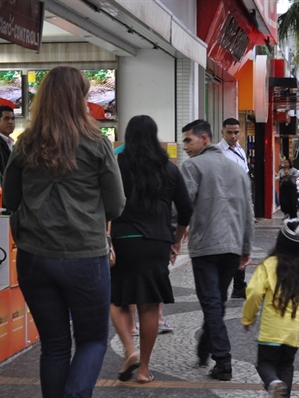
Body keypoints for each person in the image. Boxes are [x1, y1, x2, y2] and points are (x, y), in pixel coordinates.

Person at [2, 66, 125, 398]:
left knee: (54, 345)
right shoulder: (97, 143)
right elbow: (116, 205)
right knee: (92, 339)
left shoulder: (25, 143)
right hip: (85, 257)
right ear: (79, 99)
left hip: (34, 258)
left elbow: (10, 199)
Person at [110, 115, 192, 383]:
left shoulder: (118, 165)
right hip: (157, 242)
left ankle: (129, 350)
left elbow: (105, 203)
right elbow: (186, 209)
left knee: (115, 299)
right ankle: (143, 369)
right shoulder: (167, 168)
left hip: (123, 240)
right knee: (148, 306)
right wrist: (176, 240)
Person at [181, 119, 254, 381]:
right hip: (232, 246)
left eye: (188, 140)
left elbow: (182, 206)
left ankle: (223, 361)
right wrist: (246, 247)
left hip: (206, 246)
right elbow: (248, 210)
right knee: (217, 302)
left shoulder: (192, 167)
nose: (185, 146)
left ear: (204, 139)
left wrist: (173, 237)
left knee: (212, 303)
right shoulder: (237, 170)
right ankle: (204, 347)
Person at [242, 218, 299, 398]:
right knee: (286, 366)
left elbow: (254, 292)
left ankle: (273, 383)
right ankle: (283, 393)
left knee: (264, 364)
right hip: (294, 332)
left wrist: (248, 318)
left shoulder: (269, 265)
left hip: (271, 331)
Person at [217, 117, 249, 299]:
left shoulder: (240, 151)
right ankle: (223, 285)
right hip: (225, 208)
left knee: (240, 246)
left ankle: (239, 286)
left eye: (236, 132)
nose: (233, 136)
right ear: (222, 132)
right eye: (229, 132)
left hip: (240, 207)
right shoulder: (218, 152)